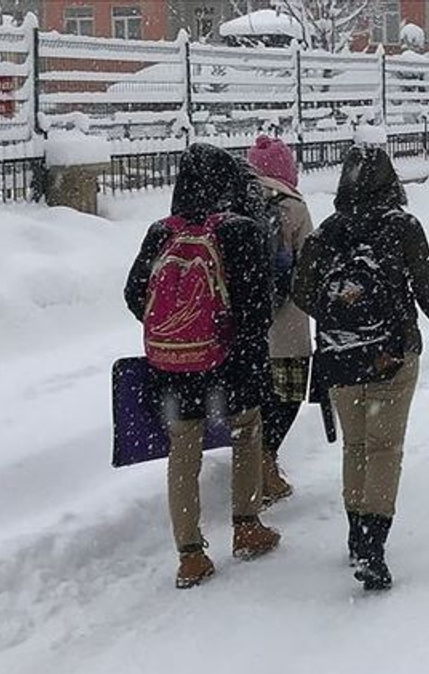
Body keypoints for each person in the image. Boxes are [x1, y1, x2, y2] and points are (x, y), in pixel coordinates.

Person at [293, 144, 429, 592]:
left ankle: (354, 534)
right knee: (385, 449)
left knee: (356, 447)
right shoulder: (402, 226)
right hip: (391, 353)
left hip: (339, 355)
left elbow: (301, 291)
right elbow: (426, 282)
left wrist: (339, 309)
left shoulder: (328, 231)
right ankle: (373, 546)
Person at [124, 143, 280, 589]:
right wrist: (231, 340)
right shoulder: (239, 231)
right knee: (247, 432)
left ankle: (190, 555)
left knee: (183, 451)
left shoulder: (160, 232)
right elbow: (257, 306)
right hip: (229, 363)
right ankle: (247, 526)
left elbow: (135, 294)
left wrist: (177, 328)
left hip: (171, 366)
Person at [247, 135, 315, 506]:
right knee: (286, 396)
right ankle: (266, 462)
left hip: (245, 324)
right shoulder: (293, 206)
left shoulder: (233, 202)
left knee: (253, 399)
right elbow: (311, 263)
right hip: (287, 324)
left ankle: (252, 464)